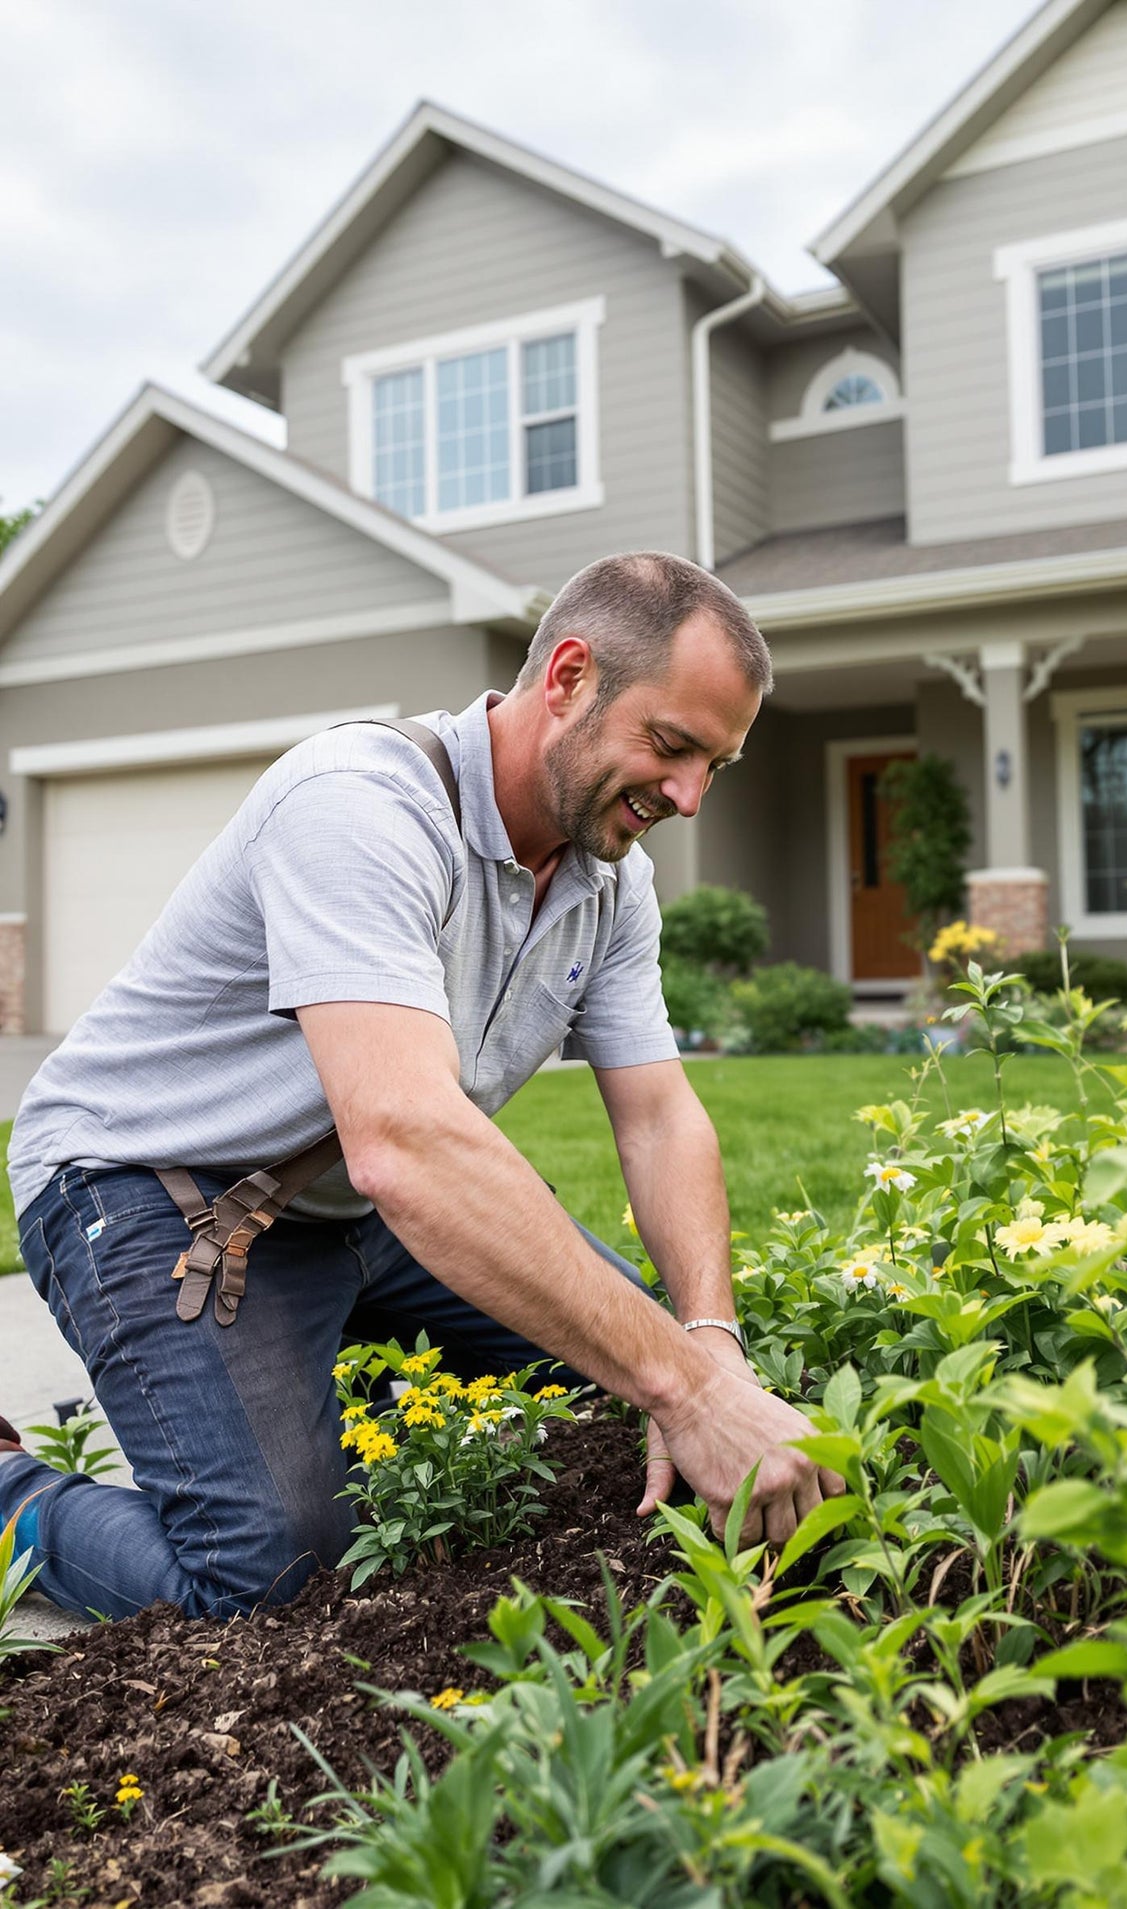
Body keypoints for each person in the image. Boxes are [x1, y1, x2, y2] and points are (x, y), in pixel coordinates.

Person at [0, 550, 841, 1621]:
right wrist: (680, 1386)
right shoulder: (359, 805)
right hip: (150, 1189)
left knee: (616, 1397)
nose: (685, 796)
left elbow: (660, 1115)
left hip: (356, 1194)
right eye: (671, 746)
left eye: (712, 765)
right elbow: (404, 1138)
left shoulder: (607, 880)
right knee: (272, 1576)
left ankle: (322, 1391)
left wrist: (709, 1351)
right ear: (569, 677)